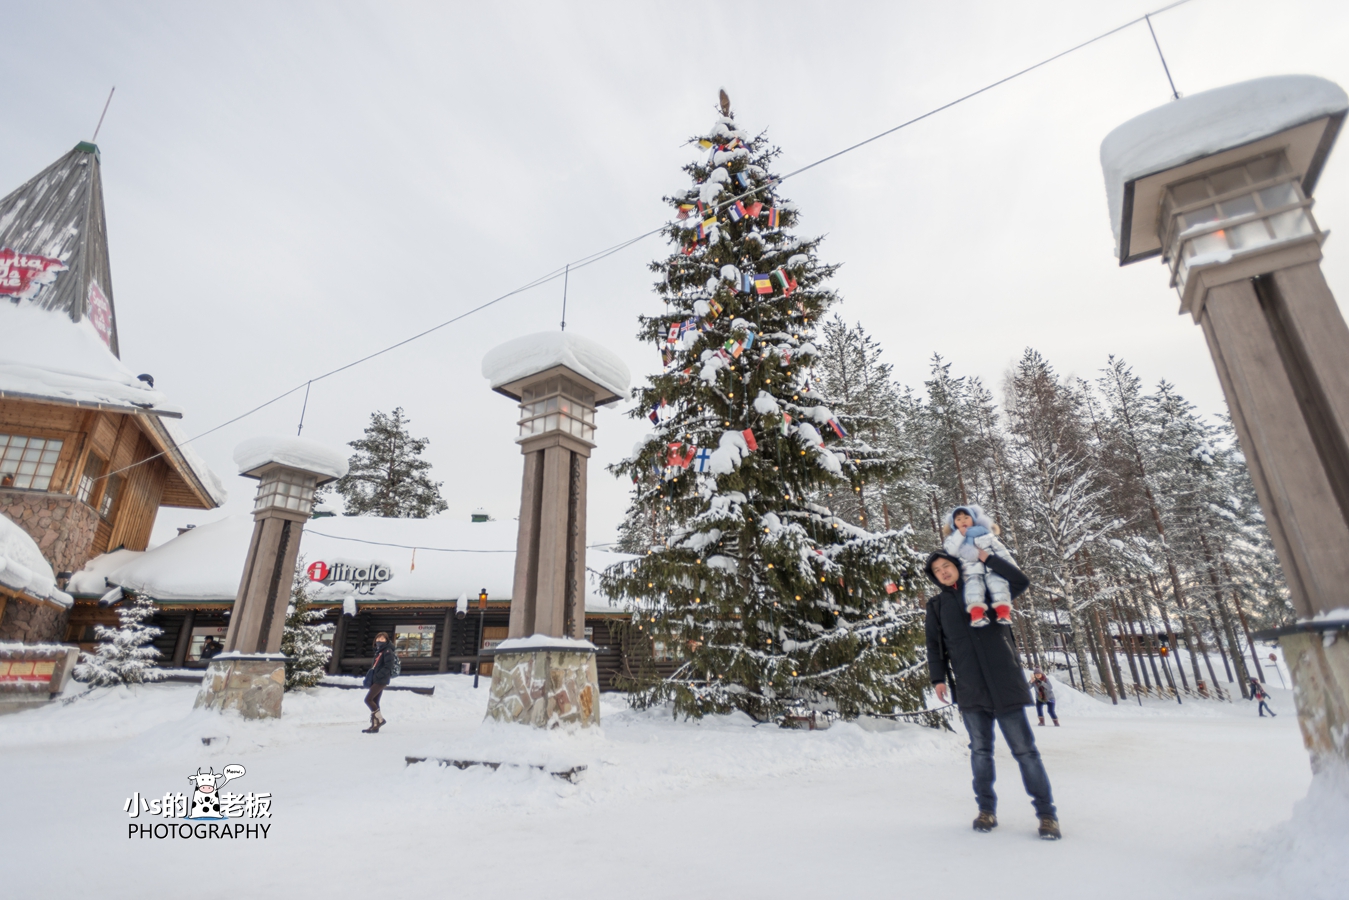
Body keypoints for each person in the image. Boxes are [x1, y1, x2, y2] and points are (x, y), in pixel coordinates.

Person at [925, 547, 1061, 840]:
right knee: (980, 751)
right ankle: (986, 810)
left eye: (946, 566)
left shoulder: (986, 589)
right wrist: (938, 678)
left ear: (957, 566)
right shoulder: (936, 606)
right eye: (936, 571)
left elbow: (1020, 582)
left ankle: (1047, 815)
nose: (943, 572)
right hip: (970, 688)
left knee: (1025, 751)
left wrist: (988, 558)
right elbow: (934, 647)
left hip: (1005, 683)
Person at [942, 505, 1017, 627]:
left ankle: (1003, 612)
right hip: (971, 572)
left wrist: (1012, 568)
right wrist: (959, 535)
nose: (963, 521)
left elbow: (1001, 550)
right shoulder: (954, 539)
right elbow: (950, 551)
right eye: (958, 519)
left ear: (973, 519)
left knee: (998, 584)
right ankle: (976, 614)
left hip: (992, 568)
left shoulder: (986, 535)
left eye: (966, 517)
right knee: (973, 589)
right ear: (954, 524)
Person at [362, 632, 396, 733]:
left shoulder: (387, 651)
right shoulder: (379, 651)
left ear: (387, 640)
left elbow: (388, 666)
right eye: (378, 639)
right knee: (375, 701)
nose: (380, 640)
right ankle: (375, 725)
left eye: (382, 639)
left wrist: (378, 676)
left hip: (381, 680)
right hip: (377, 679)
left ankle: (380, 720)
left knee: (368, 699)